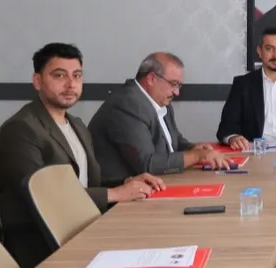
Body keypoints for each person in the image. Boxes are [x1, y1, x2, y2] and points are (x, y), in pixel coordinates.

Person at [0, 43, 164, 268]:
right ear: (37, 81)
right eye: (59, 75)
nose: (70, 84)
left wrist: (127, 182)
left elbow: (88, 182)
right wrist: (114, 194)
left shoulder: (77, 125)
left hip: (84, 225)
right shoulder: (21, 130)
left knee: (158, 233)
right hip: (45, 242)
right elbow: (43, 198)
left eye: (77, 76)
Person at [89, 52, 229, 183]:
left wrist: (194, 148)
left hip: (154, 184)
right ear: (151, 79)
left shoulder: (161, 101)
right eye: (173, 84)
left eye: (179, 85)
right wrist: (196, 156)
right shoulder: (128, 104)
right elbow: (147, 164)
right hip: (119, 191)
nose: (177, 92)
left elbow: (174, 141)